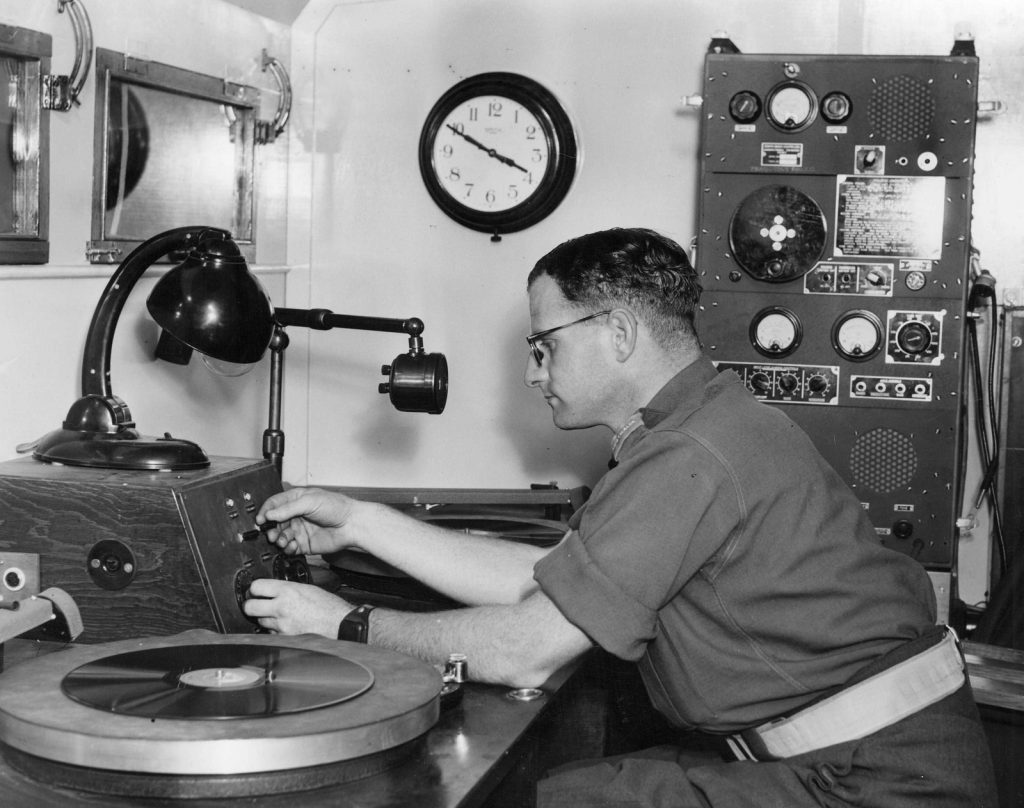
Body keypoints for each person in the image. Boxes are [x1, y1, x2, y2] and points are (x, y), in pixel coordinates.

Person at [244, 227, 998, 807]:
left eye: (543, 345)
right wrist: (362, 521)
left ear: (619, 334)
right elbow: (550, 583)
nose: (533, 371)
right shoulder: (695, 426)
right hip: (867, 755)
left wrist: (344, 625)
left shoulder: (689, 455)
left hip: (873, 781)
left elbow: (526, 649)